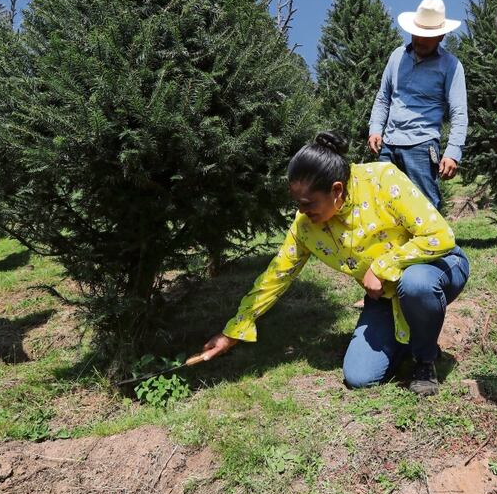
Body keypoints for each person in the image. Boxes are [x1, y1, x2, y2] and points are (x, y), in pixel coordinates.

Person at [198, 131, 469, 396]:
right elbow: (276, 276)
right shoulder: (306, 227)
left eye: (308, 203)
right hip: (386, 296)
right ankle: (412, 335)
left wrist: (381, 267)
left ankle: (425, 360)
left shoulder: (381, 180)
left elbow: (440, 236)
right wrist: (233, 331)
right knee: (359, 376)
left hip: (437, 266)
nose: (302, 211)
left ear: (336, 190)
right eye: (297, 203)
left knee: (416, 284)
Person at [368, 0, 467, 210]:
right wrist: (375, 129)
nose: (420, 40)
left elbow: (459, 113)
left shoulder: (451, 65)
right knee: (384, 207)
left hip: (422, 147)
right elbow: (383, 97)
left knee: (425, 209)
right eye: (417, 34)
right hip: (389, 145)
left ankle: (437, 244)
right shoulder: (397, 56)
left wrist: (452, 153)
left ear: (441, 36)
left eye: (427, 36)